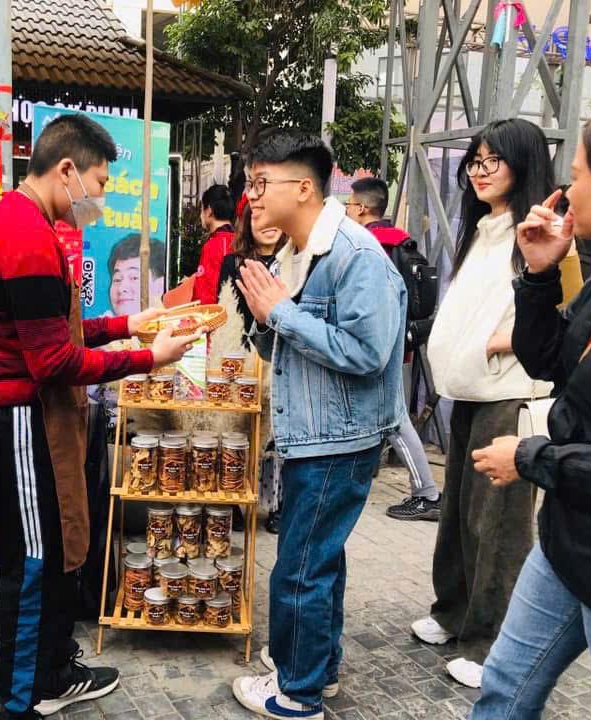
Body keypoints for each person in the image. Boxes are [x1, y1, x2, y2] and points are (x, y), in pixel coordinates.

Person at [0, 113, 198, 720]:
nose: (99, 197)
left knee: (53, 554)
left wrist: (126, 325)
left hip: (29, 417)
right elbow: (53, 361)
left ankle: (51, 673)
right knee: (31, 566)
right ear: (67, 170)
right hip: (19, 420)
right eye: (98, 182)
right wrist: (148, 358)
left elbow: (55, 329)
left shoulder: (27, 221)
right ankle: (14, 702)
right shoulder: (26, 235)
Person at [231, 130, 406, 720]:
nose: (253, 196)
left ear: (305, 188)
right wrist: (266, 318)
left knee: (299, 570)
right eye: (251, 183)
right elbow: (288, 340)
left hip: (339, 438)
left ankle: (297, 693)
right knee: (319, 561)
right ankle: (317, 669)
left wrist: (280, 312)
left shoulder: (355, 255)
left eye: (262, 182)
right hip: (313, 431)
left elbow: (368, 352)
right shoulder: (296, 251)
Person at [468, 107, 591, 720]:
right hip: (567, 541)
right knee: (504, 686)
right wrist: (538, 274)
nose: (568, 188)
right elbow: (551, 359)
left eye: (580, 175)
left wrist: (534, 458)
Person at [414, 119, 556, 689]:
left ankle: (494, 643)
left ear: (524, 163)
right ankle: (453, 612)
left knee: (496, 524)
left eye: (493, 160)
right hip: (469, 389)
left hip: (509, 392)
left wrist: (512, 339)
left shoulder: (541, 230)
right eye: (475, 160)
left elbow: (564, 308)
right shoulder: (486, 227)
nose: (479, 171)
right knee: (458, 511)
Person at [346, 178, 442, 521]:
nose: (347, 211)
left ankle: (427, 494)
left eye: (348, 205)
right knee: (384, 415)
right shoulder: (400, 241)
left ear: (361, 208)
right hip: (397, 342)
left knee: (394, 419)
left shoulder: (369, 246)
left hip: (377, 347)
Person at [214, 204, 287, 533]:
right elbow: (226, 310)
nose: (268, 226)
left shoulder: (292, 261)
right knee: (239, 431)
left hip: (280, 358)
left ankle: (277, 506)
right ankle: (235, 500)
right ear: (248, 224)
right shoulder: (233, 262)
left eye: (274, 218)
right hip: (241, 357)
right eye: (260, 219)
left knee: (275, 437)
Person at [192, 184, 235, 305]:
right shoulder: (240, 241)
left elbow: (204, 295)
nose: (201, 215)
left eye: (202, 210)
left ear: (209, 211)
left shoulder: (213, 245)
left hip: (216, 313)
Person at [106, 233, 166, 317]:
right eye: (117, 279)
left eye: (134, 278)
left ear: (160, 287)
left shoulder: (175, 323)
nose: (121, 288)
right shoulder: (101, 323)